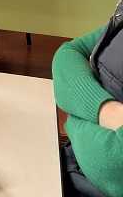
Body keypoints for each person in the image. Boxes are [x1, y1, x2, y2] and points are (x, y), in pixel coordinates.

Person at [53, 23, 123, 197]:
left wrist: (77, 109)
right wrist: (105, 109)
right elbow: (68, 53)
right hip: (68, 162)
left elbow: (114, 167)